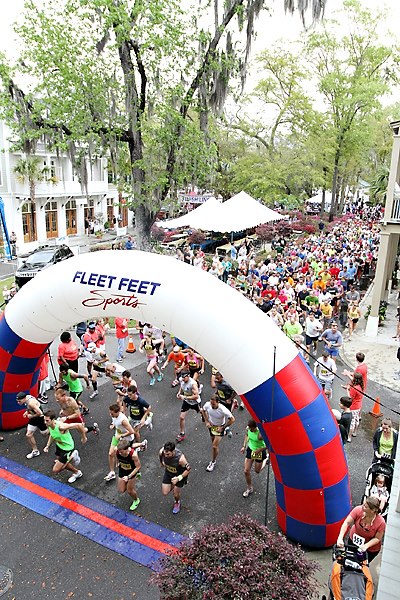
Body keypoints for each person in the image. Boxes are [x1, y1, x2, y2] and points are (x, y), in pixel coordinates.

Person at [336, 496, 386, 563]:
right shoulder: (358, 510)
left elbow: (377, 538)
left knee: (361, 564)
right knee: (349, 559)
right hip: (353, 541)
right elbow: (347, 523)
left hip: (370, 549)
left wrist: (366, 546)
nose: (362, 507)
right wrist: (340, 538)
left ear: (373, 510)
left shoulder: (381, 522)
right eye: (363, 504)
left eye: (365, 507)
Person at [43, 410, 84, 484]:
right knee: (61, 462)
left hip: (67, 448)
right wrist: (47, 446)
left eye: (47, 420)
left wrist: (84, 437)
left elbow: (79, 425)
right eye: (44, 420)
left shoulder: (61, 427)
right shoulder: (50, 425)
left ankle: (73, 458)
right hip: (59, 446)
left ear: (53, 420)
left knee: (56, 470)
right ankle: (74, 469)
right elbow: (52, 435)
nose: (45, 422)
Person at [201, 395, 235, 472]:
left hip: (220, 427)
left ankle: (213, 462)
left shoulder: (223, 409)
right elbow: (203, 410)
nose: (212, 406)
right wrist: (206, 421)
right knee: (213, 442)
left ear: (218, 402)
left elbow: (232, 419)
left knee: (214, 446)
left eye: (213, 404)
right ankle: (226, 430)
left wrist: (222, 428)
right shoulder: (208, 405)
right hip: (211, 426)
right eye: (211, 403)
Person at [104, 403, 136, 482]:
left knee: (125, 456)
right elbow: (114, 421)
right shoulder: (114, 416)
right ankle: (112, 472)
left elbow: (132, 431)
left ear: (117, 412)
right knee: (110, 453)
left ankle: (132, 472)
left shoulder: (123, 420)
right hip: (117, 436)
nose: (110, 415)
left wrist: (121, 436)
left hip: (126, 439)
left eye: (112, 413)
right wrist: (113, 425)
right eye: (110, 413)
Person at [159, 441, 191, 514]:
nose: (166, 456)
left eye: (168, 454)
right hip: (169, 472)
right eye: (165, 453)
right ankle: (174, 484)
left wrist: (179, 478)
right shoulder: (162, 452)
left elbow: (189, 470)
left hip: (179, 475)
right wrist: (161, 463)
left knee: (175, 493)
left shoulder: (181, 459)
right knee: (165, 492)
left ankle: (177, 502)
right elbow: (160, 455)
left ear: (173, 451)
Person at [241, 419, 269, 497]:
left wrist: (259, 450)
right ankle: (249, 488)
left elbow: (269, 445)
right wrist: (244, 446)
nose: (250, 429)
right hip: (251, 450)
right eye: (249, 428)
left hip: (259, 452)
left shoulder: (260, 435)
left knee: (257, 471)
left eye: (251, 429)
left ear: (256, 427)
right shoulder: (248, 428)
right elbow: (246, 435)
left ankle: (266, 459)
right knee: (246, 471)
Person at [16, 391, 48, 459]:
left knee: (44, 433)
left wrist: (31, 416)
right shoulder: (27, 398)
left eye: (19, 401)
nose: (18, 403)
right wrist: (27, 411)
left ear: (24, 398)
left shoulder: (31, 403)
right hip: (33, 418)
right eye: (17, 401)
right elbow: (29, 407)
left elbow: (40, 413)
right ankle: (35, 451)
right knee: (28, 435)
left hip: (39, 418)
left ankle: (54, 430)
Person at [116, 439, 141, 511]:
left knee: (130, 490)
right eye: (119, 451)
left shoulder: (133, 455)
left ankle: (136, 500)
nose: (120, 453)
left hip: (131, 472)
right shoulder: (117, 451)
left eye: (121, 452)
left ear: (127, 449)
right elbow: (116, 456)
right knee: (121, 490)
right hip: (122, 470)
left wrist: (128, 477)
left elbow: (138, 467)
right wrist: (117, 463)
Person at [175, 372, 200, 443]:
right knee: (181, 417)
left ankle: (205, 418)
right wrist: (179, 392)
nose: (183, 379)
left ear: (188, 376)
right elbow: (182, 386)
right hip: (186, 402)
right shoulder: (182, 380)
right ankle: (182, 433)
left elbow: (196, 396)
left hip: (195, 402)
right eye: (182, 377)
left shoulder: (193, 384)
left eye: (184, 377)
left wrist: (185, 397)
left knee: (201, 412)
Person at [343, 372, 364, 442]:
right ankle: (355, 432)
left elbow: (350, 398)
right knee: (356, 419)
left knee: (352, 421)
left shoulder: (355, 388)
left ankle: (349, 437)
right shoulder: (360, 386)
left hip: (354, 407)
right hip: (359, 405)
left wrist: (347, 390)